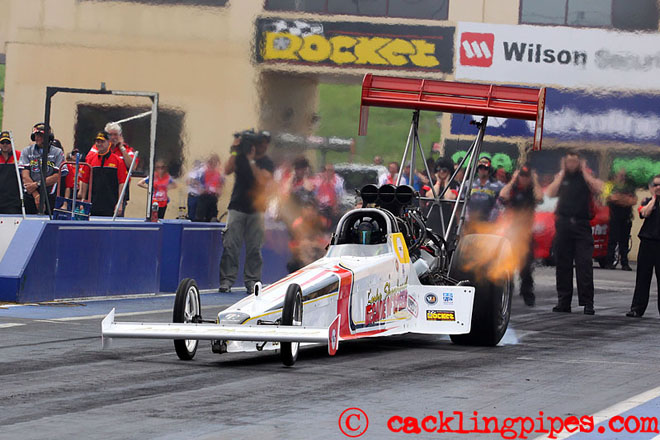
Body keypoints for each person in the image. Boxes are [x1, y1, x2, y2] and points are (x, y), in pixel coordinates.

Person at [546, 152, 603, 315]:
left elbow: (599, 188)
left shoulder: (586, 177)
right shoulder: (561, 177)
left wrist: (584, 171)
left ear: (580, 162)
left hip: (581, 224)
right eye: (568, 161)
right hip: (563, 224)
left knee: (584, 264)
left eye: (574, 161)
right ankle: (564, 302)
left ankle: (587, 303)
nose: (571, 164)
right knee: (563, 264)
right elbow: (550, 193)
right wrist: (561, 173)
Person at [219, 130, 274, 294]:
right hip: (237, 206)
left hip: (256, 209)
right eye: (259, 142)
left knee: (254, 248)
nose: (262, 146)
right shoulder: (240, 157)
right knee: (230, 246)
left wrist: (251, 161)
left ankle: (252, 281)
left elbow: (262, 180)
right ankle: (226, 280)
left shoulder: (266, 162)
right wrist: (235, 150)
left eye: (264, 143)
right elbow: (227, 170)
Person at [499, 165, 544, 306]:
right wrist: (513, 180)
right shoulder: (513, 189)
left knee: (526, 266)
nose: (524, 179)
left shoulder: (532, 190)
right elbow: (502, 195)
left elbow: (540, 197)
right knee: (508, 264)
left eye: (527, 176)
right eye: (522, 176)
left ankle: (527, 293)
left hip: (526, 233)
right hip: (512, 231)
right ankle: (508, 290)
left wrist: (535, 180)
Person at [626, 175, 660, 318]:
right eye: (655, 185)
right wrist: (654, 199)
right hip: (647, 242)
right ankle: (637, 308)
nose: (658, 187)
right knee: (642, 278)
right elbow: (644, 213)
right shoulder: (647, 201)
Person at [88, 122, 138, 215]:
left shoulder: (126, 149)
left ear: (120, 136)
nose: (113, 137)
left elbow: (133, 167)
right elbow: (89, 161)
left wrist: (121, 148)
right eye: (110, 135)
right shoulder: (98, 146)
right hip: (99, 190)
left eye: (115, 135)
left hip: (119, 190)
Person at [18, 123, 65, 215]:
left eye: (41, 135)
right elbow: (25, 176)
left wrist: (37, 184)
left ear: (49, 137)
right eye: (36, 135)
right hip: (31, 194)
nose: (37, 138)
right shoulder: (26, 151)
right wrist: (36, 195)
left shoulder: (57, 152)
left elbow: (57, 176)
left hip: (50, 195)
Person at [79, 131, 128, 217]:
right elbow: (85, 181)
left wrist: (120, 203)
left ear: (109, 142)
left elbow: (122, 183)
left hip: (111, 204)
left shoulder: (118, 161)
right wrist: (83, 200)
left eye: (102, 141)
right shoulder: (90, 160)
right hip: (93, 204)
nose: (99, 144)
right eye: (97, 141)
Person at [604, 168, 637, 271]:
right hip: (614, 217)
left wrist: (619, 198)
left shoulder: (629, 187)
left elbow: (633, 201)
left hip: (626, 218)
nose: (622, 176)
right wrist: (625, 199)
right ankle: (609, 262)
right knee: (612, 240)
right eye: (620, 174)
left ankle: (625, 263)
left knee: (624, 242)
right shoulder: (610, 185)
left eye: (623, 174)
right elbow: (610, 197)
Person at [466, 157, 504, 223]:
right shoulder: (468, 184)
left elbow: (504, 203)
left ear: (489, 170)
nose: (482, 170)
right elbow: (461, 202)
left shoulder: (498, 185)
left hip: (489, 223)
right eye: (480, 168)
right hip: (471, 222)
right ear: (477, 169)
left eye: (485, 168)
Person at [314, 163, 344, 228]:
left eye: (331, 170)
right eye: (326, 170)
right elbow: (314, 196)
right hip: (320, 210)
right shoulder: (317, 181)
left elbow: (339, 197)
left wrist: (335, 207)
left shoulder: (338, 181)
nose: (328, 173)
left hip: (331, 210)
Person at [194, 154, 223, 222]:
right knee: (200, 219)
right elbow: (197, 184)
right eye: (212, 163)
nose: (214, 165)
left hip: (213, 198)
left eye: (216, 163)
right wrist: (203, 190)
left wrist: (217, 191)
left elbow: (220, 188)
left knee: (212, 218)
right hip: (204, 198)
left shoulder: (218, 174)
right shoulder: (203, 173)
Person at [0, 131, 23, 214]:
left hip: (14, 202)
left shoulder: (19, 155)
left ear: (12, 143)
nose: (5, 144)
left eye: (8, 142)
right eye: (2, 142)